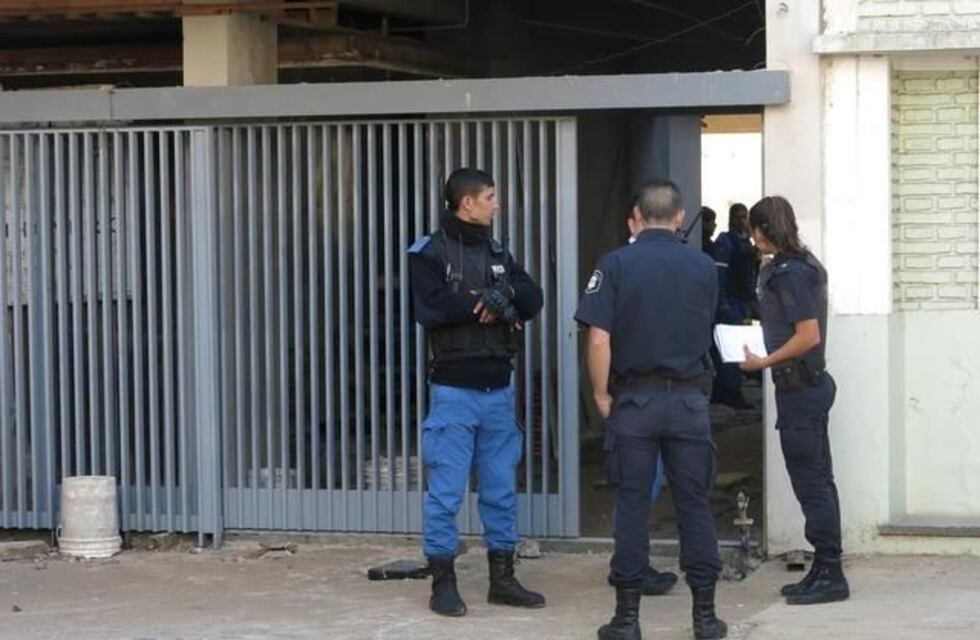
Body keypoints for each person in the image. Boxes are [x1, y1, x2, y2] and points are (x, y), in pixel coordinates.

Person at [577, 179, 727, 640]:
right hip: (688, 402)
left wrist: (601, 396)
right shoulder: (704, 265)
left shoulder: (615, 264)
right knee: (694, 505)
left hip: (635, 402)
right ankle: (705, 618)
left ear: (636, 218)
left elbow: (598, 339)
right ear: (680, 217)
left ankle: (627, 620)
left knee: (631, 506)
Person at [408, 168, 545, 617]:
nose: (496, 204)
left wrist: (508, 292)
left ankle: (502, 580)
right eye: (490, 197)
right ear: (467, 203)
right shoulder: (429, 252)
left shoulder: (498, 250)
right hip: (454, 391)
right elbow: (430, 307)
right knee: (446, 493)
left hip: (499, 389)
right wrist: (484, 302)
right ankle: (443, 583)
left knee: (501, 490)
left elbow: (534, 297)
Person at [740, 196, 849, 606]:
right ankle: (824, 566)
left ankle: (831, 572)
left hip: (800, 391)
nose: (752, 238)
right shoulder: (801, 264)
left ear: (763, 229)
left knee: (812, 483)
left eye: (754, 230)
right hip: (808, 387)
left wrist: (763, 362)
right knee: (818, 479)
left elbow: (807, 335)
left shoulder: (789, 274)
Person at [712, 203, 758, 409]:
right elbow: (720, 274)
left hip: (743, 302)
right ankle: (730, 390)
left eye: (745, 217)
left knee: (742, 346)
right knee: (731, 348)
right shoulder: (726, 241)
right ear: (731, 219)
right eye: (739, 217)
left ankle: (731, 388)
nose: (743, 221)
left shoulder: (746, 243)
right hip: (730, 302)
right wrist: (722, 303)